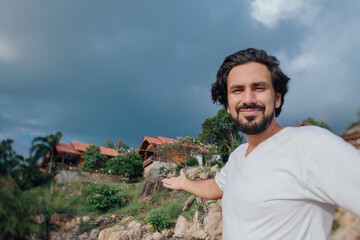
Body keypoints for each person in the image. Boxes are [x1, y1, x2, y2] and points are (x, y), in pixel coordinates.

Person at [162, 48, 360, 239]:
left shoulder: (310, 145)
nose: (248, 99)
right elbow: (216, 187)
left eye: (259, 88)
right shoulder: (239, 155)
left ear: (277, 99)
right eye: (237, 90)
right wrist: (184, 183)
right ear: (228, 106)